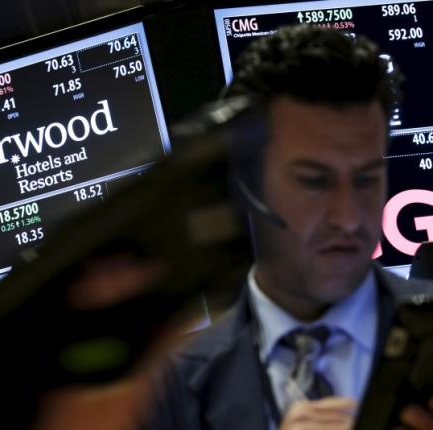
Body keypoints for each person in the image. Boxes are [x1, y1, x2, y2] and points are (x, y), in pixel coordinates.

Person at [144, 25, 433, 430]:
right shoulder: (163, 396)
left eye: (367, 178)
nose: (349, 217)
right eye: (313, 181)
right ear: (244, 182)